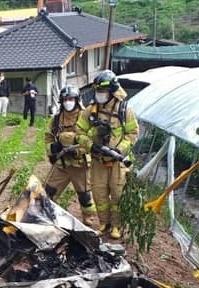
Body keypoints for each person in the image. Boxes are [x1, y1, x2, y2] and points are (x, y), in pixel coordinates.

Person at [76, 70, 139, 239]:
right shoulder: (91, 110)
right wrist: (90, 145)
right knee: (99, 193)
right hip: (98, 160)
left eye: (103, 91)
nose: (99, 95)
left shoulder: (125, 110)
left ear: (111, 91)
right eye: (97, 91)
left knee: (117, 194)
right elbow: (79, 131)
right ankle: (104, 223)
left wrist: (119, 150)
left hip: (117, 162)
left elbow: (132, 134)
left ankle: (116, 225)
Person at [43, 85, 96, 226]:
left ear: (77, 100)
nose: (68, 102)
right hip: (62, 165)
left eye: (71, 99)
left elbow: (92, 140)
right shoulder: (56, 119)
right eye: (66, 99)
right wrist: (52, 149)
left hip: (80, 166)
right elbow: (48, 137)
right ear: (61, 101)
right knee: (48, 192)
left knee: (85, 196)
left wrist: (78, 151)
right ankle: (44, 215)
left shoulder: (85, 117)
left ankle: (88, 218)